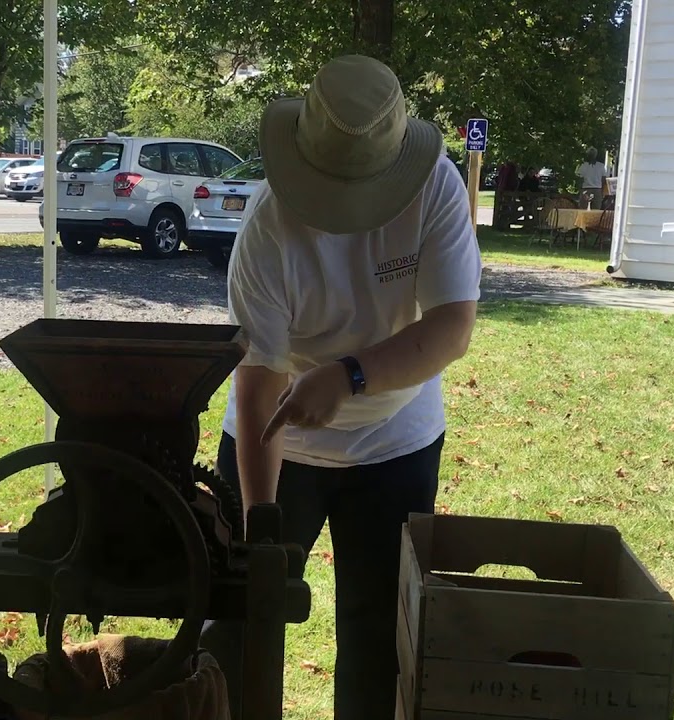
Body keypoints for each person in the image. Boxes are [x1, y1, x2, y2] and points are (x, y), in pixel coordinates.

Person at [202, 55, 481, 720]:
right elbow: (260, 381)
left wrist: (350, 376)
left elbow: (451, 327)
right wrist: (260, 529)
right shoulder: (267, 226)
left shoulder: (435, 189)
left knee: (378, 634)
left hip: (398, 439)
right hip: (277, 444)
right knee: (242, 622)